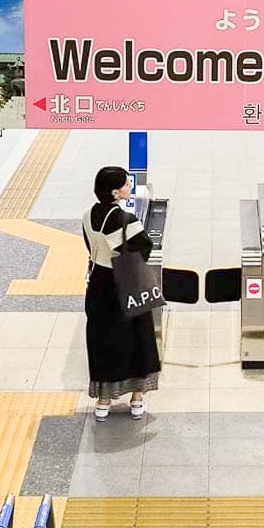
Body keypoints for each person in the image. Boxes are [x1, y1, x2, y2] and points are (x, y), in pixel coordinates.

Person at [83, 167, 160, 421]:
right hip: (125, 283)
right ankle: (137, 398)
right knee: (138, 338)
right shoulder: (124, 219)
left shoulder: (87, 215)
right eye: (127, 184)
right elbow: (144, 248)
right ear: (116, 191)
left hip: (98, 284)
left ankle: (103, 401)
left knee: (102, 340)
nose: (130, 186)